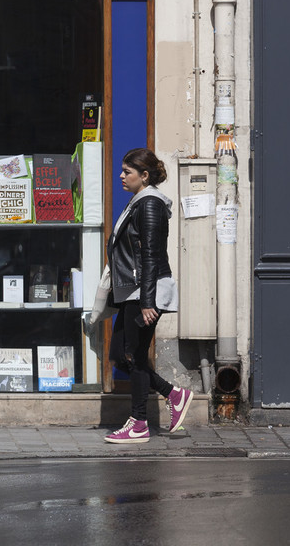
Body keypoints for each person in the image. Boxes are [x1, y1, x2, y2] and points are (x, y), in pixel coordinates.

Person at [102, 147, 193, 443]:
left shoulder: (149, 203)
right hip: (133, 289)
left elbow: (152, 256)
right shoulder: (138, 202)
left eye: (127, 172)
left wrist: (147, 301)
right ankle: (173, 394)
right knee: (121, 354)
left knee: (136, 357)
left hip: (144, 291)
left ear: (144, 175)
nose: (121, 176)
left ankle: (139, 423)